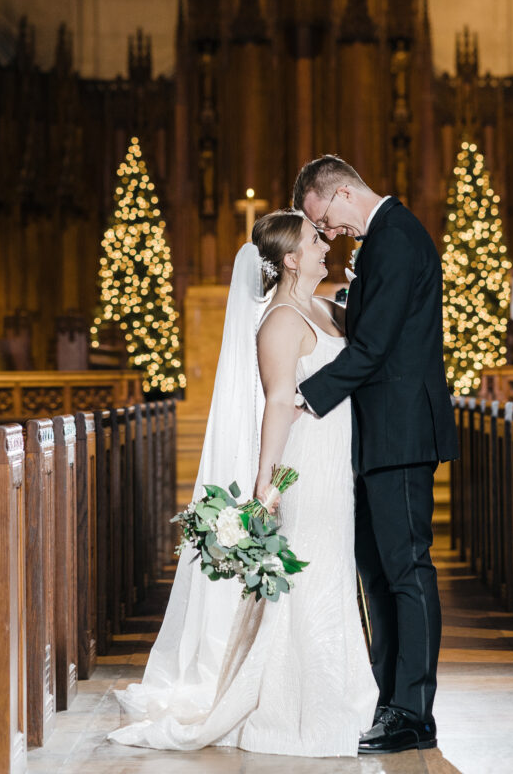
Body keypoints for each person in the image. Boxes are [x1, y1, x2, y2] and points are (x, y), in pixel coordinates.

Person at [108, 210, 377, 756]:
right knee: (311, 577)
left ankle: (344, 693)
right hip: (305, 464)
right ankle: (299, 702)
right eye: (315, 239)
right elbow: (278, 402)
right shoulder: (279, 321)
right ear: (290, 259)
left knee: (332, 574)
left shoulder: (324, 308)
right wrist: (266, 489)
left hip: (338, 462)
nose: (327, 245)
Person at [293, 155, 459, 756]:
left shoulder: (394, 237)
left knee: (406, 570)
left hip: (401, 431)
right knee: (379, 572)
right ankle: (389, 698)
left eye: (325, 221)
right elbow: (377, 323)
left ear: (338, 193)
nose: (330, 236)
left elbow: (375, 346)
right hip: (380, 431)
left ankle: (413, 710)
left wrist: (303, 399)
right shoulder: (385, 239)